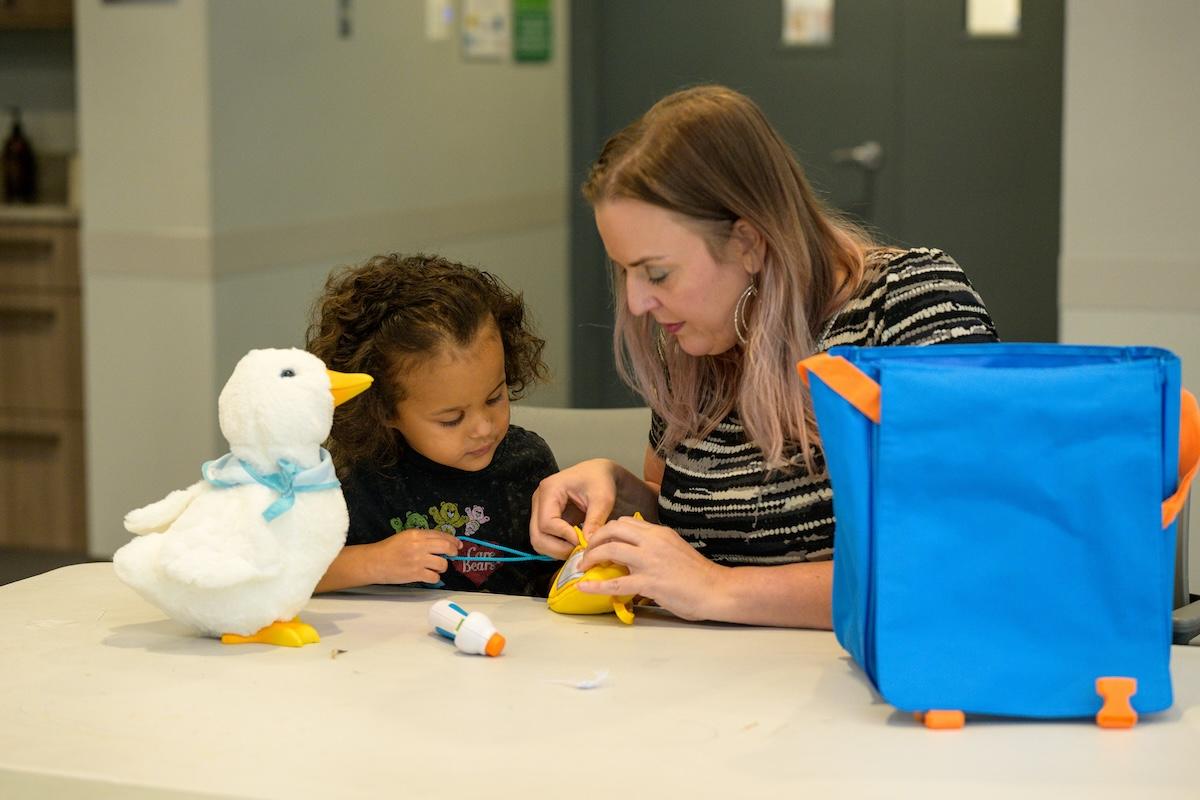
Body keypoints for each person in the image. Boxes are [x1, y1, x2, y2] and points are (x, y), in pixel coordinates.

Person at [529, 85, 998, 627]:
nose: (636, 302)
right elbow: (710, 525)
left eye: (656, 273)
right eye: (625, 271)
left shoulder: (909, 304)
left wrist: (721, 589)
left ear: (749, 242)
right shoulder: (694, 339)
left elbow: (960, 556)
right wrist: (625, 494)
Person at [307, 253, 560, 596]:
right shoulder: (357, 479)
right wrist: (372, 561)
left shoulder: (526, 463)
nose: (484, 428)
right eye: (452, 419)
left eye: (494, 398)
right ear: (382, 409)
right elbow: (283, 576)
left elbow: (555, 578)